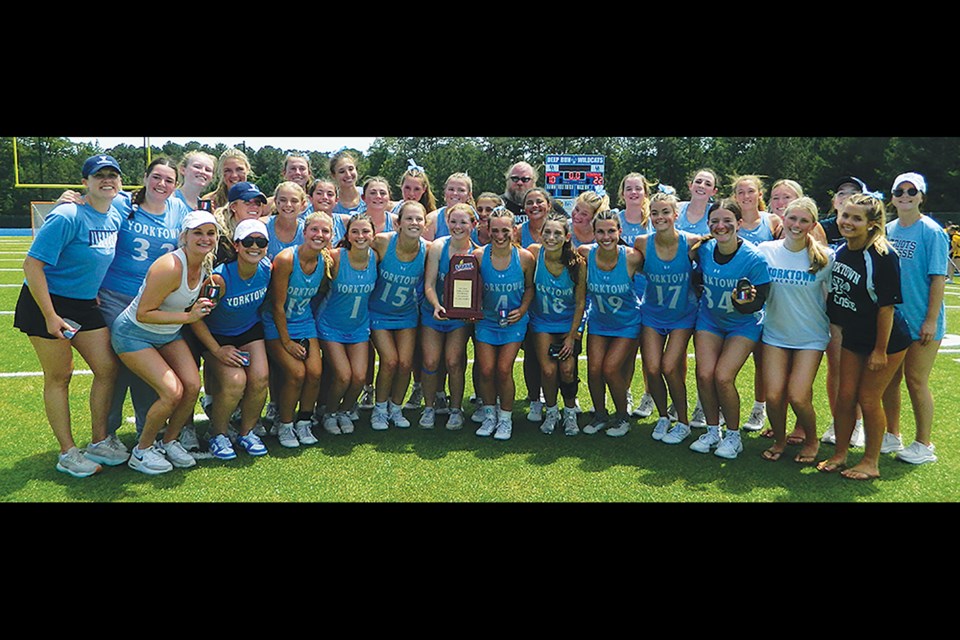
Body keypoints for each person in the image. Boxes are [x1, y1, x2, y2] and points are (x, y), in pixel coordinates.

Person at [15, 154, 124, 477]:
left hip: (85, 303)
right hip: (46, 303)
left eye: (112, 175)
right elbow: (32, 265)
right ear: (84, 182)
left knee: (107, 368)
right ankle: (67, 452)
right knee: (60, 376)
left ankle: (99, 440)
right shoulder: (67, 215)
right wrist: (50, 315)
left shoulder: (115, 213)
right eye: (99, 175)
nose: (107, 180)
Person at [109, 210, 218, 475]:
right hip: (134, 333)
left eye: (210, 233)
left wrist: (195, 309)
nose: (205, 238)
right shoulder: (170, 266)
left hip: (168, 333)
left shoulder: (205, 262)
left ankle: (169, 441)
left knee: (192, 386)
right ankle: (143, 450)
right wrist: (188, 316)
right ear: (184, 236)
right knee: (172, 392)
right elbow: (143, 312)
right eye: (198, 233)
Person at [97, 157, 192, 447]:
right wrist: (70, 199)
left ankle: (145, 431)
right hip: (116, 296)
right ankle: (106, 435)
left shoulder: (178, 208)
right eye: (157, 177)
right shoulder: (122, 204)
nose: (161, 184)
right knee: (118, 368)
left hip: (154, 300)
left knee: (147, 369)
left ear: (176, 186)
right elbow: (93, 207)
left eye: (168, 180)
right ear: (146, 177)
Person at [817, 194, 912, 479]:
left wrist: (879, 350)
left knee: (869, 399)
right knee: (845, 396)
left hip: (887, 339)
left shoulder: (882, 256)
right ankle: (841, 454)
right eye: (845, 215)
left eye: (856, 218)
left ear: (872, 224)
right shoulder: (842, 251)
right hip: (854, 336)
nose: (847, 222)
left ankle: (871, 462)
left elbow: (886, 308)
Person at [688, 199, 771, 460]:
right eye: (715, 221)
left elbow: (759, 301)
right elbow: (695, 272)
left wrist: (743, 302)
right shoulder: (704, 249)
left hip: (742, 323)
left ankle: (734, 436)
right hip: (710, 319)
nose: (721, 226)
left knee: (723, 376)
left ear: (740, 223)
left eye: (727, 221)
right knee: (704, 374)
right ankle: (713, 430)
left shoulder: (754, 257)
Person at [754, 197, 833, 464]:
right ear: (783, 219)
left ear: (812, 225)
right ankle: (779, 440)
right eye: (792, 218)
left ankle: (811, 440)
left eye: (803, 220)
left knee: (798, 396)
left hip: (811, 337)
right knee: (774, 395)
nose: (796, 225)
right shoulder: (766, 250)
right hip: (775, 334)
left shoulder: (825, 257)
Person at [190, 219, 272, 458]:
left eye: (261, 242)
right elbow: (196, 318)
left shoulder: (267, 269)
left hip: (248, 329)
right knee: (235, 382)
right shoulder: (219, 280)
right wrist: (216, 351)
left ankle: (246, 432)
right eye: (248, 241)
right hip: (217, 335)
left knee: (260, 378)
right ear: (236, 245)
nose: (254, 246)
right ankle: (218, 434)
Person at [882, 172, 948, 464]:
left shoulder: (931, 232)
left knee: (916, 380)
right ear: (892, 195)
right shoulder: (888, 229)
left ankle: (924, 443)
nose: (905, 196)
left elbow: (938, 279)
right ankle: (892, 434)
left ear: (921, 196)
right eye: (900, 191)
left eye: (912, 191)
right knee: (888, 380)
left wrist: (930, 320)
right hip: (894, 320)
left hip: (922, 320)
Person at [633, 193, 699, 444]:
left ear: (675, 215)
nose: (660, 217)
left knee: (670, 367)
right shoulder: (642, 243)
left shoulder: (691, 243)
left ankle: (683, 421)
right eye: (655, 213)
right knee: (651, 368)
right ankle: (663, 416)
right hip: (652, 312)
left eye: (665, 212)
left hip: (683, 314)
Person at [262, 211, 331, 446]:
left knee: (314, 374)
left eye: (325, 231)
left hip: (304, 321)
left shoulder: (326, 260)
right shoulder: (286, 259)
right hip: (276, 322)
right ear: (304, 232)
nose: (319, 235)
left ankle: (304, 422)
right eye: (314, 230)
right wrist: (287, 342)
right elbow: (277, 306)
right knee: (296, 373)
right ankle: (285, 424)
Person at [577, 210, 644, 437]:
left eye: (611, 231)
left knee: (611, 368)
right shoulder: (585, 253)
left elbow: (655, 275)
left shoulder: (632, 257)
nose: (606, 236)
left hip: (628, 323)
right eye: (601, 231)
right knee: (594, 369)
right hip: (599, 321)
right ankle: (599, 415)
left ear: (619, 232)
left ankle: (622, 417)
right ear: (593, 233)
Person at [472, 208, 535, 441]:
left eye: (505, 230)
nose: (500, 235)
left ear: (515, 231)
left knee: (503, 368)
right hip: (487, 321)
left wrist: (523, 308)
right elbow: (468, 287)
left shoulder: (525, 258)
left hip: (513, 322)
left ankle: (506, 419)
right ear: (488, 231)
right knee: (486, 370)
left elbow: (530, 287)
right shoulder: (479, 256)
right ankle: (490, 415)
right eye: (495, 230)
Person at [819, 176, 873, 448]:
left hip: (860, 310)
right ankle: (838, 420)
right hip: (832, 311)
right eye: (841, 192)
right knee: (836, 368)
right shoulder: (823, 228)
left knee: (857, 372)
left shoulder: (867, 231)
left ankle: (858, 424)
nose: (845, 196)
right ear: (834, 200)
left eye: (853, 193)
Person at [315, 214, 379, 434]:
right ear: (347, 235)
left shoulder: (376, 258)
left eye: (365, 231)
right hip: (330, 325)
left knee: (360, 377)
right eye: (355, 231)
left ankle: (344, 410)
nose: (360, 236)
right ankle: (329, 413)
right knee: (343, 375)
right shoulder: (335, 258)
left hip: (358, 326)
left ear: (373, 235)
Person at [368, 201, 428, 430]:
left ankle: (396, 406)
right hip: (379, 312)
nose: (414, 223)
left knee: (405, 363)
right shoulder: (383, 242)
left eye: (419, 219)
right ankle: (379, 408)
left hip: (406, 313)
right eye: (409, 218)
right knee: (390, 360)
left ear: (425, 224)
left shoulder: (428, 249)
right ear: (398, 223)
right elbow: (355, 246)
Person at [528, 212, 587, 436]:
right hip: (542, 321)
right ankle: (551, 412)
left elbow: (581, 301)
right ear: (541, 234)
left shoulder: (576, 263)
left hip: (568, 323)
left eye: (557, 233)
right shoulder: (534, 253)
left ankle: (570, 412)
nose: (551, 237)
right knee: (548, 370)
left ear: (567, 236)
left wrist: (572, 336)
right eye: (547, 232)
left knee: (567, 369)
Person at [419, 203, 478, 428]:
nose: (457, 226)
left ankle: (455, 409)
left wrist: (472, 312)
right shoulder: (438, 247)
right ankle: (429, 407)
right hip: (432, 313)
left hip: (459, 319)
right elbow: (429, 284)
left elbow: (479, 291)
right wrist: (436, 305)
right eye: (453, 221)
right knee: (431, 360)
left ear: (474, 225)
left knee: (454, 361)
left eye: (463, 222)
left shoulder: (477, 253)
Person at [615, 172, 657, 420]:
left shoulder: (652, 221)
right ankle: (626, 392)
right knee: (628, 349)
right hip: (622, 295)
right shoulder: (616, 219)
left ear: (645, 193)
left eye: (638, 189)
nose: (633, 193)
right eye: (628, 189)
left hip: (650, 291)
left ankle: (650, 395)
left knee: (650, 351)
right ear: (621, 194)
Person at [213, 181, 268, 265]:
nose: (254, 207)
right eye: (247, 202)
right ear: (233, 207)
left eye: (257, 203)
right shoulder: (219, 235)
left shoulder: (260, 232)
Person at [262, 181, 305, 262]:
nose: (288, 205)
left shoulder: (307, 232)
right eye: (283, 200)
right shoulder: (263, 226)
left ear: (302, 204)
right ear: (275, 201)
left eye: (294, 201)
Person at [424, 172, 474, 241]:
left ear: (469, 195)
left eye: (461, 190)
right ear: (445, 192)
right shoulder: (432, 219)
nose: (455, 193)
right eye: (451, 189)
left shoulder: (477, 218)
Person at [676, 168, 720, 235]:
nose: (701, 186)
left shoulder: (717, 213)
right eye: (698, 182)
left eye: (708, 184)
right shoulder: (675, 208)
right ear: (690, 186)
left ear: (714, 191)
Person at [329, 149, 365, 215]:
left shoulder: (369, 195)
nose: (348, 175)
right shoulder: (331, 202)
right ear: (334, 175)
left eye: (351, 169)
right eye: (342, 171)